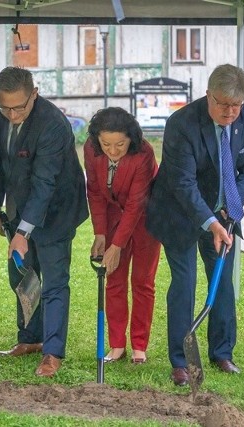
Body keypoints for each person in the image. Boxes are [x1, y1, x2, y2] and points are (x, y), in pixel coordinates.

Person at [145, 64, 244, 386]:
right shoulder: (181, 123)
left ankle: (222, 353)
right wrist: (209, 221)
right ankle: (180, 361)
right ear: (208, 95)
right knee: (185, 283)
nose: (230, 112)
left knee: (222, 282)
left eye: (236, 105)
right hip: (180, 213)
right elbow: (182, 183)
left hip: (224, 215)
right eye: (223, 104)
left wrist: (231, 208)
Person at [0, 66, 88, 377]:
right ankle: (30, 338)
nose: (13, 114)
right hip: (20, 207)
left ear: (35, 94)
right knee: (22, 275)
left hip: (58, 209)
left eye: (20, 107)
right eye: (6, 107)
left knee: (54, 283)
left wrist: (22, 232)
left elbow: (45, 183)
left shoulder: (53, 125)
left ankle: (53, 351)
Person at [83, 107, 160, 364]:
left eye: (120, 144)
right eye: (106, 144)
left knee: (142, 282)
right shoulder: (91, 150)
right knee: (113, 280)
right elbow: (94, 191)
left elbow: (137, 203)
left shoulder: (144, 154)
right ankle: (117, 345)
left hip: (146, 221)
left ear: (131, 139)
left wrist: (116, 246)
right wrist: (101, 234)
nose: (113, 151)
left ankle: (139, 346)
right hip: (114, 218)